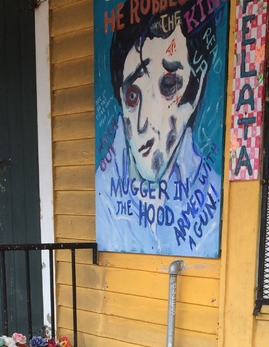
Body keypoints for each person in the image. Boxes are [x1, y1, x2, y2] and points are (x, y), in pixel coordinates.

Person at [95, 1, 224, 258]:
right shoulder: (104, 190)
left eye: (168, 84)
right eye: (132, 96)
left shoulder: (210, 197)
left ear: (195, 91)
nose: (143, 123)